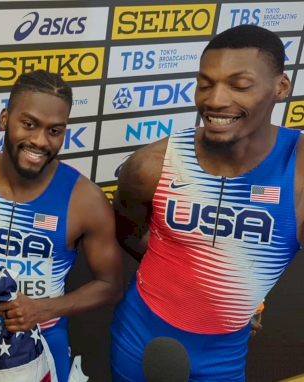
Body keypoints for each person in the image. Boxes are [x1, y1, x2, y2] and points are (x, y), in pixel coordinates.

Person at [109, 24, 297, 381]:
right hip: (138, 339)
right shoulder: (149, 166)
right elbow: (130, 233)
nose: (214, 100)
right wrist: (197, 286)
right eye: (205, 83)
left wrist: (241, 296)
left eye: (239, 85)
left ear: (281, 88)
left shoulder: (298, 174)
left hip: (222, 359)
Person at [0, 70, 124, 382]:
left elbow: (110, 285)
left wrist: (43, 310)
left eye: (55, 131)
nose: (40, 141)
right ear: (5, 118)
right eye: (29, 124)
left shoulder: (85, 199)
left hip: (45, 339)